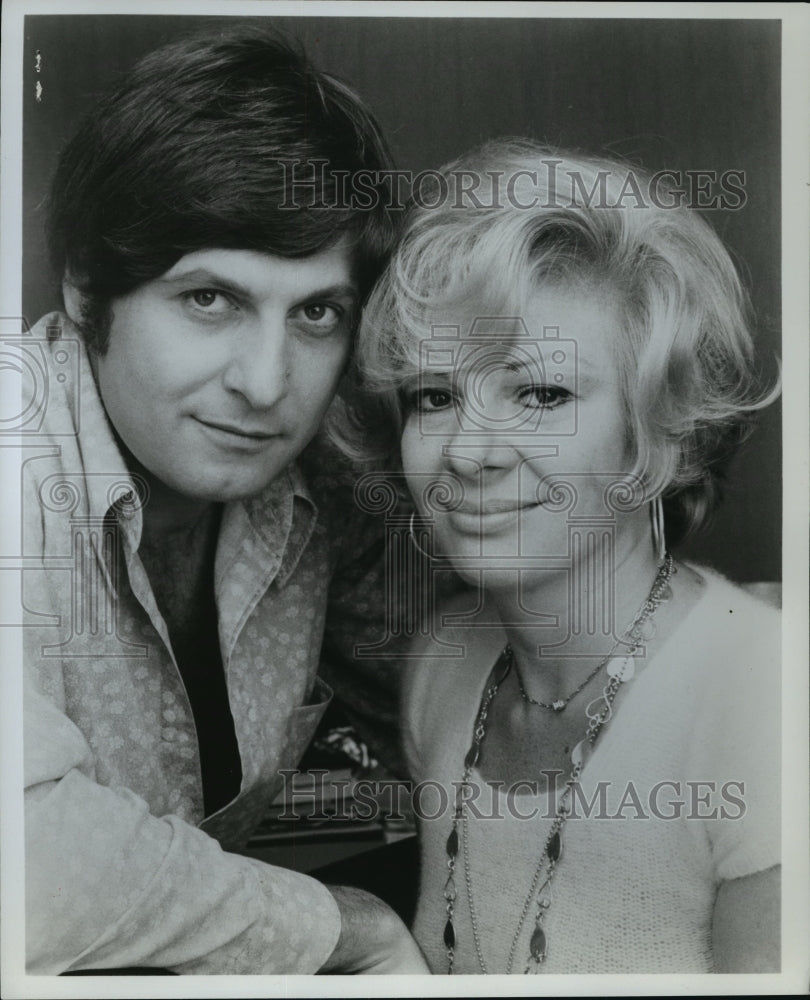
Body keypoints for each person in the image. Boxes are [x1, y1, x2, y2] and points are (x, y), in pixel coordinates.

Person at [22, 28, 428, 975]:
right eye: (211, 299)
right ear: (88, 290)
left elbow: (435, 709)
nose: (265, 381)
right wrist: (340, 924)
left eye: (316, 313)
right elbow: (21, 860)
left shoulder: (326, 484)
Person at [345, 139, 781, 974]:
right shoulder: (443, 664)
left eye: (540, 393)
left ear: (655, 430)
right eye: (434, 397)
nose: (470, 450)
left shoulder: (762, 707)